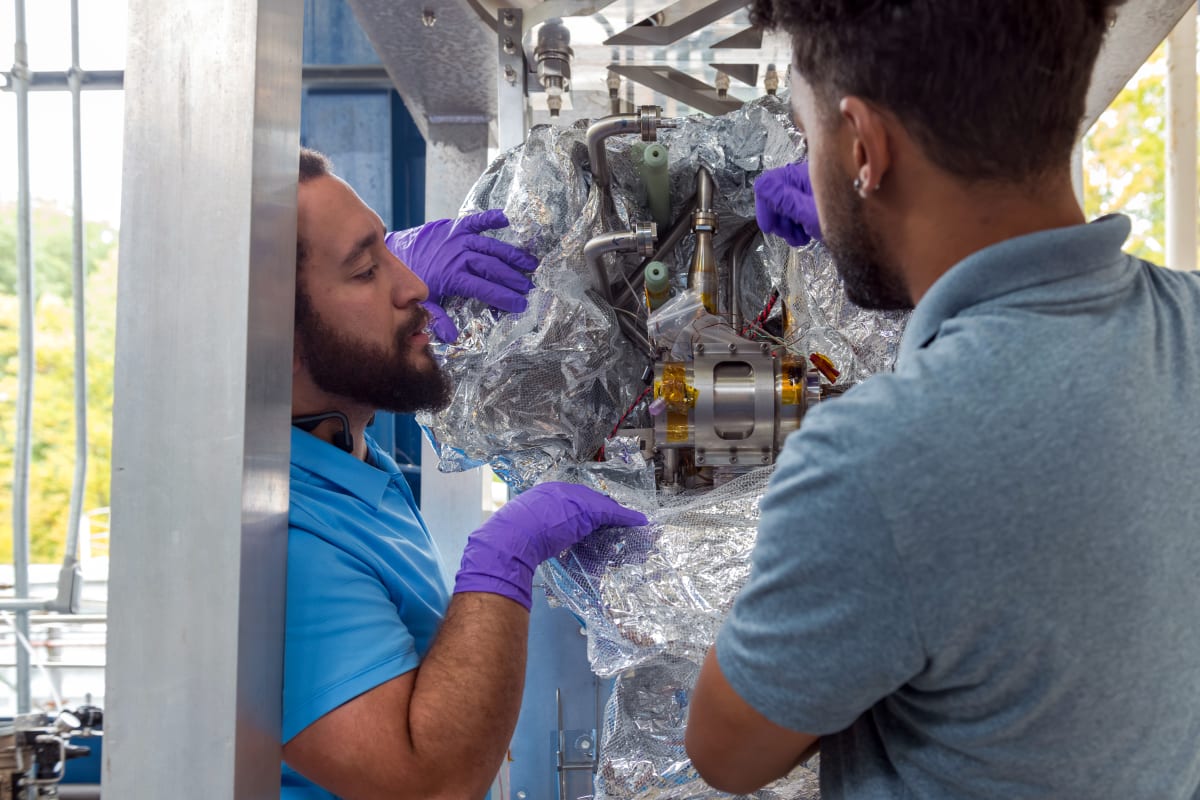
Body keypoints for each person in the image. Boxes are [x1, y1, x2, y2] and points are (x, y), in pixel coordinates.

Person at [684, 2, 1200, 798]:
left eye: (811, 131)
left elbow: (726, 752)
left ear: (864, 146)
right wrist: (908, 264)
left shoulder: (875, 461)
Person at [282, 148, 647, 799]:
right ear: (271, 343)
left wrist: (381, 284)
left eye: (391, 247)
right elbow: (430, 786)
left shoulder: (340, 453)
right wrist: (504, 552)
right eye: (369, 269)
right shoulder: (282, 545)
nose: (414, 286)